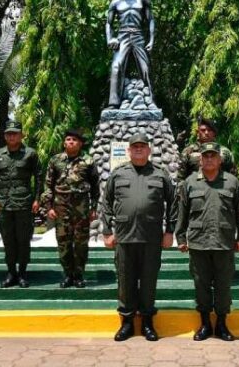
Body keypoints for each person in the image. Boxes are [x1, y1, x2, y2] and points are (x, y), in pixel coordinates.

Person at [101, 133, 175, 341]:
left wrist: (169, 231)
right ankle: (126, 323)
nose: (139, 149)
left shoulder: (160, 174)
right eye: (135, 147)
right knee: (125, 280)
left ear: (149, 150)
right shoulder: (118, 174)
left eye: (143, 146)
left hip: (151, 237)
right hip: (124, 237)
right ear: (129, 150)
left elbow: (173, 203)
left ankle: (147, 323)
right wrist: (107, 231)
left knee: (149, 281)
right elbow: (106, 203)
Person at [175, 142, 239, 341]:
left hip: (224, 243)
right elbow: (181, 213)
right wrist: (180, 237)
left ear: (219, 159)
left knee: (223, 285)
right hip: (198, 244)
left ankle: (222, 325)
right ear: (200, 159)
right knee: (201, 285)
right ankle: (205, 324)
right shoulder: (190, 183)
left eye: (213, 156)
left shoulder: (232, 182)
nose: (209, 159)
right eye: (205, 156)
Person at [41, 129, 100, 288]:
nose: (71, 142)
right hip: (61, 207)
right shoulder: (55, 160)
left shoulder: (88, 161)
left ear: (80, 143)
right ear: (64, 143)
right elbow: (48, 185)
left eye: (74, 139)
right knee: (63, 242)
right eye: (68, 139)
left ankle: (79, 275)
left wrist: (94, 208)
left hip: (81, 208)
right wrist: (49, 207)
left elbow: (95, 187)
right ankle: (68, 275)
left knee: (80, 244)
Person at [0, 120, 40, 288]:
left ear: (21, 135)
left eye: (15, 133)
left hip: (24, 203)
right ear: (5, 136)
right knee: (8, 240)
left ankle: (23, 273)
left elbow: (38, 178)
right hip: (4, 203)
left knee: (23, 240)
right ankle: (11, 272)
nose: (11, 136)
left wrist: (37, 199)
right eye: (8, 133)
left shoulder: (30, 154)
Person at [106, 0, 156, 108]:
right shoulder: (115, 3)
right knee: (116, 66)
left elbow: (151, 20)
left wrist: (151, 40)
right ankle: (113, 103)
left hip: (138, 36)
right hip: (122, 37)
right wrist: (110, 39)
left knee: (146, 68)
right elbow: (109, 23)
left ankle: (151, 101)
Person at [178, 117, 237, 182]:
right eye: (203, 130)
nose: (206, 133)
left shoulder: (225, 152)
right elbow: (180, 178)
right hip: (195, 189)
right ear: (198, 133)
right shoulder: (188, 152)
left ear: (214, 133)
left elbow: (234, 177)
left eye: (209, 130)